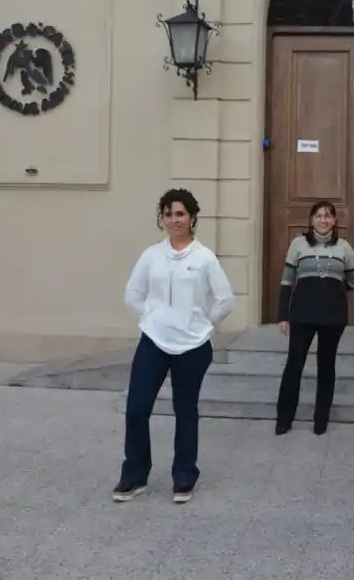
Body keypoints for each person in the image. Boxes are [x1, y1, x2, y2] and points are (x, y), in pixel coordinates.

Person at [113, 188, 234, 505]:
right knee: (137, 409)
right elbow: (132, 294)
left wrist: (203, 324)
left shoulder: (204, 257)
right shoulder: (151, 255)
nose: (173, 219)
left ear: (192, 217)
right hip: (153, 343)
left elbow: (225, 300)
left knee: (185, 411)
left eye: (179, 213)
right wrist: (152, 318)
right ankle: (134, 475)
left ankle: (184, 477)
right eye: (167, 213)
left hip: (192, 346)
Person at [275, 201, 354, 435]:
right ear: (311, 220)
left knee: (326, 366)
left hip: (333, 316)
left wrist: (330, 288)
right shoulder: (298, 244)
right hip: (301, 314)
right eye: (318, 215)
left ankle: (321, 420)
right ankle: (284, 419)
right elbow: (286, 282)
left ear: (334, 220)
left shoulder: (344, 247)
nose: (323, 220)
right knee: (294, 365)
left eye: (328, 216)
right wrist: (283, 315)